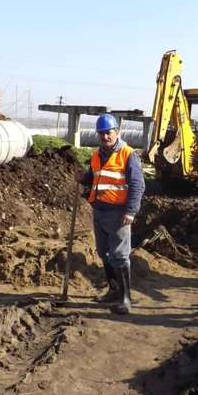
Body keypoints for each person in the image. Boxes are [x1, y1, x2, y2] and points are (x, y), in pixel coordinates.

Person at [74, 114, 145, 314]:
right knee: (104, 253)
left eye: (108, 133)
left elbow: (138, 185)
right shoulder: (96, 156)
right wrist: (84, 179)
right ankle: (113, 290)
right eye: (101, 133)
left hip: (119, 214)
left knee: (120, 256)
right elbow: (96, 178)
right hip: (99, 211)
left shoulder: (128, 154)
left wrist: (131, 211)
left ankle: (125, 298)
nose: (105, 137)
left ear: (117, 133)